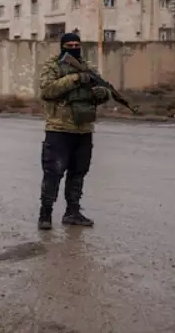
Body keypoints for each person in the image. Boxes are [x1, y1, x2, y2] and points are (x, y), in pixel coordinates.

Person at [37, 32, 111, 230]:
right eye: (69, 45)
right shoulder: (53, 66)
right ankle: (45, 215)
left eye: (76, 45)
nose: (73, 48)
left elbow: (102, 90)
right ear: (62, 46)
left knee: (78, 173)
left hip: (83, 129)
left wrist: (102, 93)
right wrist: (75, 78)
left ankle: (73, 212)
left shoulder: (88, 67)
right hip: (59, 128)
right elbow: (47, 90)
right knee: (53, 173)